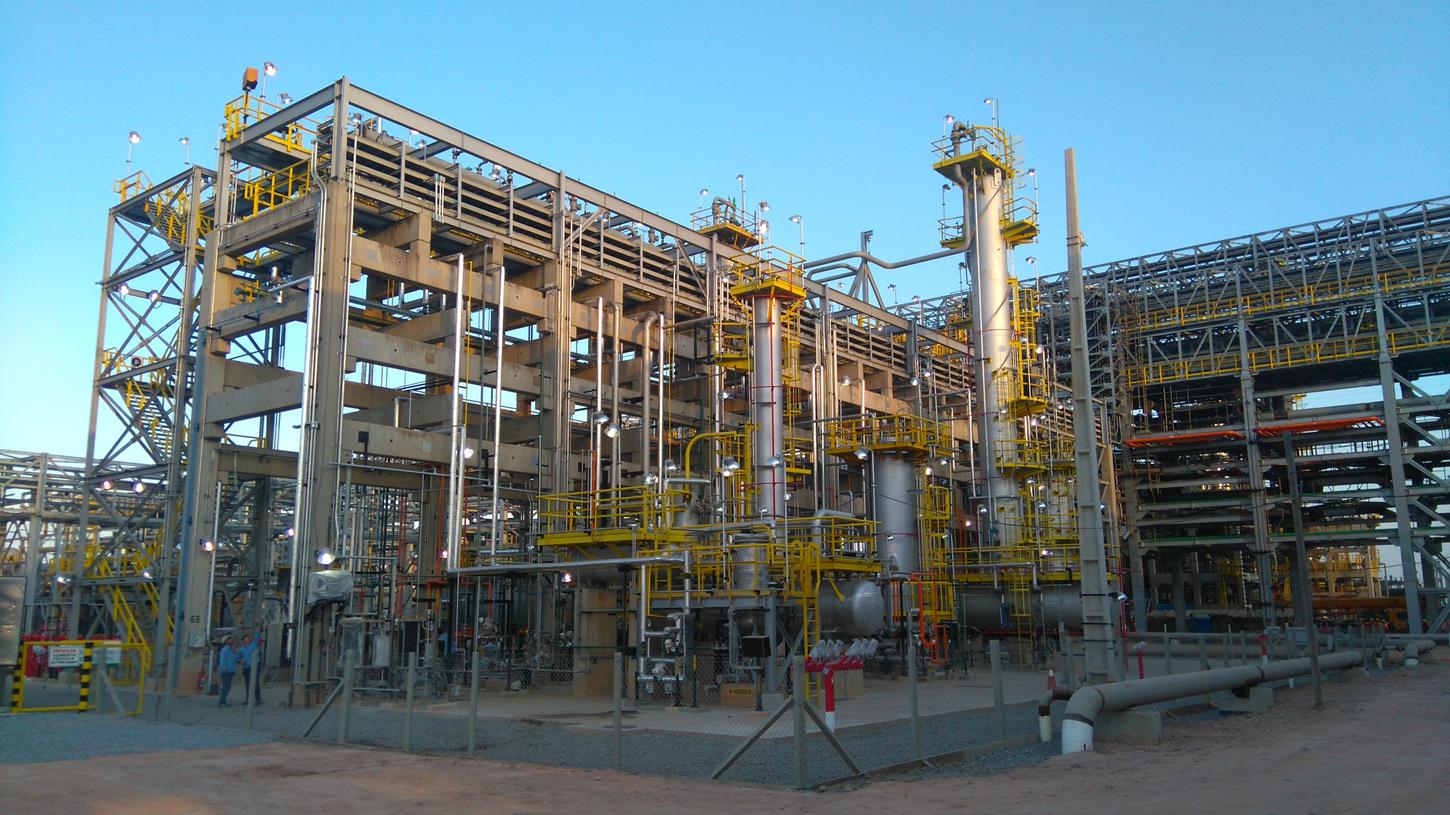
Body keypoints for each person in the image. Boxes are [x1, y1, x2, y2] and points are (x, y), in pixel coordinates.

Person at [239, 632, 264, 705]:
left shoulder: (254, 644)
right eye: (247, 638)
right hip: (246, 668)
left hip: (255, 666)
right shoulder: (242, 649)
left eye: (249, 637)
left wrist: (258, 628)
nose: (249, 639)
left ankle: (258, 699)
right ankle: (248, 699)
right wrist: (240, 660)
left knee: (255, 683)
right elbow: (237, 657)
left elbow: (257, 635)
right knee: (248, 684)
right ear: (243, 640)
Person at [216, 636, 239, 707]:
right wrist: (224, 669)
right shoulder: (225, 649)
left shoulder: (230, 650)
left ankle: (223, 701)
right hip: (226, 671)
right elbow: (222, 660)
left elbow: (235, 659)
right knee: (226, 687)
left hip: (230, 671)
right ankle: (221, 702)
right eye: (229, 639)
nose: (231, 640)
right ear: (226, 641)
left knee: (227, 687)